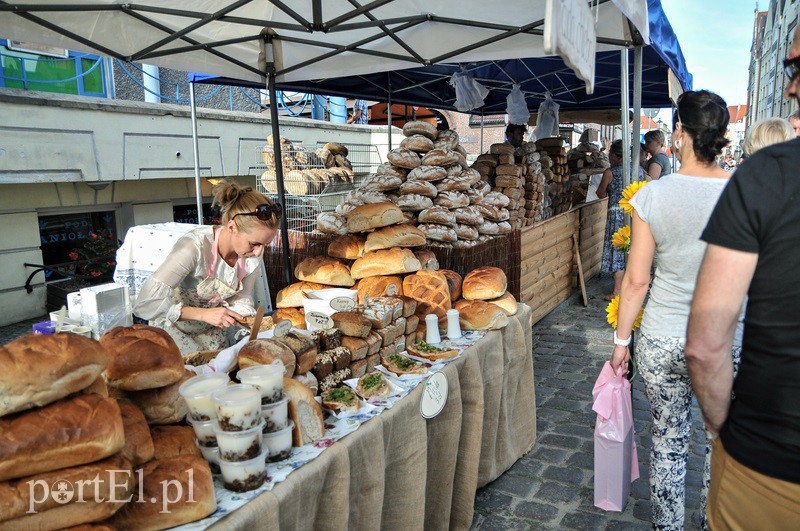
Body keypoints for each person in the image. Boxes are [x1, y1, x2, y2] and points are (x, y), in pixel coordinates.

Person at [610, 90, 741, 530]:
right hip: (723, 340)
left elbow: (636, 281)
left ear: (680, 134)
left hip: (664, 336)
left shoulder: (652, 196)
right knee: (718, 446)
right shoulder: (743, 194)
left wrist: (620, 341)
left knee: (667, 445)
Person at [685, 33, 800, 529]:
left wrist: (719, 426)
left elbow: (706, 345)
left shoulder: (765, 178)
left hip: (771, 463)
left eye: (794, 68)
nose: (791, 86)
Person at [133, 181, 280, 354]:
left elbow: (241, 297)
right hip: (176, 335)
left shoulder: (251, 255)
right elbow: (145, 303)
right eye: (254, 244)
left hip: (214, 337)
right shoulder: (194, 247)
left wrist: (249, 322)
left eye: (266, 245)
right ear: (232, 227)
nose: (258, 252)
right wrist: (203, 315)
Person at [596, 139, 645, 300]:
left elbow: (600, 193)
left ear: (616, 156)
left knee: (618, 250)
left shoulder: (610, 172)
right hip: (633, 213)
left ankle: (617, 290)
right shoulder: (638, 170)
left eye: (610, 154)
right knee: (632, 250)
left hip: (616, 214)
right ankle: (632, 287)